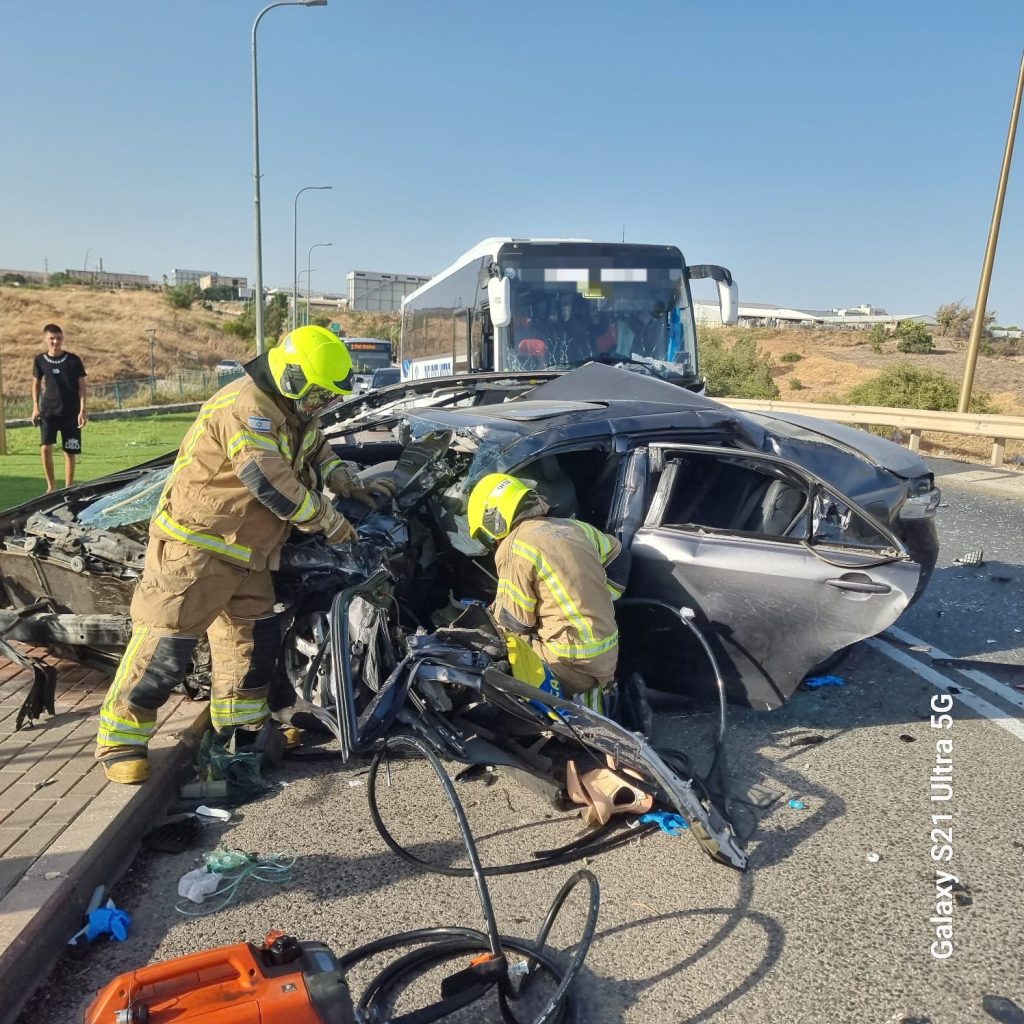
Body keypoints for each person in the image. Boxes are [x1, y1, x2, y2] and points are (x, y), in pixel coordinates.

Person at [94, 325, 396, 784]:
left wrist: (348, 483)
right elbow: (269, 481)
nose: (322, 405)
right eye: (318, 394)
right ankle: (120, 740)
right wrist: (332, 522)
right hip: (197, 548)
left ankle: (242, 728)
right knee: (165, 646)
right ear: (293, 377)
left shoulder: (294, 411)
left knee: (251, 645)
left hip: (250, 553)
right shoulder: (247, 407)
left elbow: (318, 453)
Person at [467, 473, 629, 707]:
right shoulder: (574, 527)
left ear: (494, 518)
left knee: (495, 666)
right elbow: (620, 558)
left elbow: (514, 623)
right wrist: (601, 598)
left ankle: (539, 729)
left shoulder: (514, 547)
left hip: (567, 660)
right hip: (606, 652)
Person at [32, 324, 87, 492]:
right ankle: (51, 487)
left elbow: (82, 387)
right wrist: (35, 407)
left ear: (62, 338)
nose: (55, 342)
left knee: (70, 451)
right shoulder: (40, 360)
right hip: (48, 412)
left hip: (70, 412)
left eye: (59, 338)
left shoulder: (73, 360)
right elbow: (35, 384)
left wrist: (83, 410)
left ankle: (68, 487)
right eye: (52, 338)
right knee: (45, 448)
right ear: (45, 339)